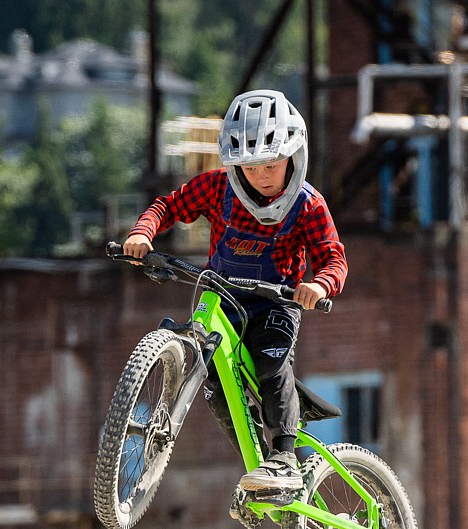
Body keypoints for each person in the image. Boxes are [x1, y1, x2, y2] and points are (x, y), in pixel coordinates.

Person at [122, 88, 347, 495]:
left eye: (271, 164)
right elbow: (168, 206)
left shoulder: (308, 205)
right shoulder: (217, 188)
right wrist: (143, 232)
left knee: (270, 365)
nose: (261, 176)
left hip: (276, 304)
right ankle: (258, 469)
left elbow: (333, 258)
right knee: (215, 384)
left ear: (293, 155)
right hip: (223, 298)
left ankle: (284, 458)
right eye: (250, 166)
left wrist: (318, 285)